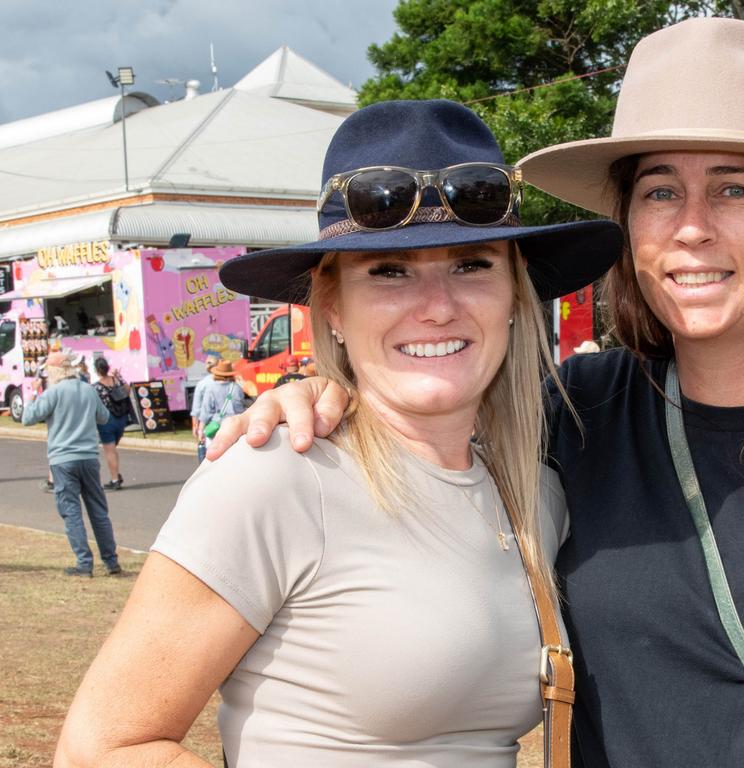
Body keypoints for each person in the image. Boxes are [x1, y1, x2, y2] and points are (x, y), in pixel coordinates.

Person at [213, 19, 744, 768]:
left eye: (735, 189)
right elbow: (425, 386)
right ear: (631, 222)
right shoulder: (573, 414)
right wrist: (325, 389)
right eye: (660, 191)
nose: (691, 227)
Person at [54, 99, 621, 766]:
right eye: (389, 273)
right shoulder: (277, 475)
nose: (437, 307)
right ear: (332, 306)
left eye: (472, 264)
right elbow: (102, 749)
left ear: (515, 295)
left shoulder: (534, 495)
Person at [22, 353, 121, 577]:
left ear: (54, 372)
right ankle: (111, 561)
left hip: (63, 459)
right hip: (88, 457)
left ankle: (84, 563)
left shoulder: (53, 392)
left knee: (71, 511)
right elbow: (104, 417)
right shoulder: (88, 389)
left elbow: (28, 417)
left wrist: (31, 394)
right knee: (98, 511)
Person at [92, 357, 130, 489]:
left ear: (96, 370)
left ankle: (115, 480)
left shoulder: (96, 387)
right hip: (121, 419)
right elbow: (128, 390)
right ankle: (116, 475)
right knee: (113, 449)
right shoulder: (116, 381)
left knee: (110, 451)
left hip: (106, 421)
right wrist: (119, 376)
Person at [195, 359, 245, 456]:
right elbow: (240, 409)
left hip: (215, 429)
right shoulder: (236, 388)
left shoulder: (211, 388)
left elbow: (206, 411)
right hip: (233, 428)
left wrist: (201, 430)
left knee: (213, 459)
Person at [189, 355, 217, 461]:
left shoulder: (202, 384)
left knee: (208, 458)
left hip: (209, 427)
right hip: (226, 424)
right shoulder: (231, 383)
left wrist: (195, 426)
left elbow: (196, 409)